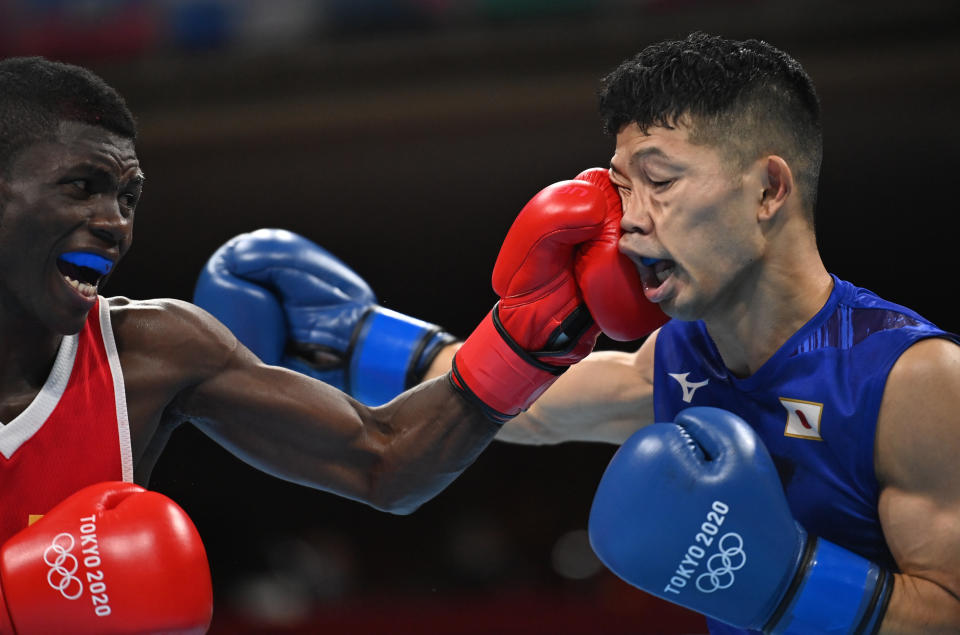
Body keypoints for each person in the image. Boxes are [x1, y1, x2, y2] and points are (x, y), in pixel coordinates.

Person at [199, 33, 960, 633]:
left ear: (767, 189)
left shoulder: (912, 378)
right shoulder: (679, 361)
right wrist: (354, 339)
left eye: (659, 182)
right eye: (620, 187)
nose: (627, 223)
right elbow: (513, 405)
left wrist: (790, 583)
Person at [0, 56, 663, 632]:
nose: (114, 222)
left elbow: (383, 460)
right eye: (81, 186)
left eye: (128, 196)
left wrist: (526, 341)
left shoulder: (153, 352)